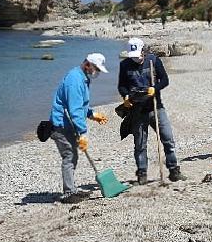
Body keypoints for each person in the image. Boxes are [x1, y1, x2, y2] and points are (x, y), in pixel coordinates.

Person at [118, 37, 186, 185]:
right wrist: (126, 96)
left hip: (156, 107)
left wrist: (155, 89)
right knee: (140, 144)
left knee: (168, 138)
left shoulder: (153, 61)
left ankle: (174, 170)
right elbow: (121, 86)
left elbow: (165, 80)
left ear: (143, 50)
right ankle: (142, 174)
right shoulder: (124, 65)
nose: (136, 59)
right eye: (133, 56)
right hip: (137, 110)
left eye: (138, 55)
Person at [49, 53, 109, 203]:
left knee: (72, 155)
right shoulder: (75, 80)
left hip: (69, 123)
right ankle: (68, 193)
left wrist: (91, 113)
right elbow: (74, 109)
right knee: (69, 156)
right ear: (88, 64)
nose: (97, 72)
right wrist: (82, 132)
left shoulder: (82, 78)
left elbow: (80, 105)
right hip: (60, 124)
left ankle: (71, 189)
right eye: (96, 69)